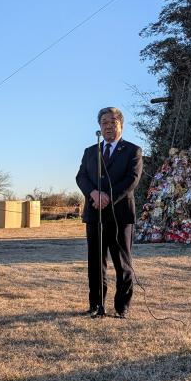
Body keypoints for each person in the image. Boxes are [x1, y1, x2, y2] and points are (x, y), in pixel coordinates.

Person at [76, 107, 143, 318]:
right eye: (104, 122)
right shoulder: (90, 151)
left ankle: (122, 306)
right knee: (96, 262)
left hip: (120, 215)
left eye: (113, 122)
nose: (108, 126)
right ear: (99, 127)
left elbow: (132, 179)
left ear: (121, 125)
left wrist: (108, 197)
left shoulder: (133, 150)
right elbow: (81, 177)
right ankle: (96, 303)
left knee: (122, 263)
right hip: (95, 214)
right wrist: (94, 193)